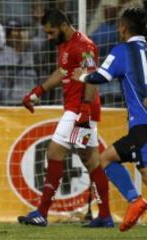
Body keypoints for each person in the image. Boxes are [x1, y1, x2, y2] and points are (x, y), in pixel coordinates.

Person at [18, 8, 113, 228]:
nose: (49, 37)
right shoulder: (64, 45)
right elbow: (62, 72)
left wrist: (85, 109)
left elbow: (91, 77)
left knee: (54, 152)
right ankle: (106, 215)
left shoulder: (85, 46)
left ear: (63, 26)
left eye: (51, 32)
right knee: (91, 161)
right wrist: (37, 91)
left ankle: (42, 212)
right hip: (76, 109)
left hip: (80, 110)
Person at [72, 7, 147, 232]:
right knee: (127, 166)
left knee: (105, 161)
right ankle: (134, 202)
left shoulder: (123, 50)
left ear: (123, 28)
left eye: (118, 25)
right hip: (140, 125)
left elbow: (101, 76)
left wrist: (82, 76)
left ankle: (135, 201)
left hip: (141, 125)